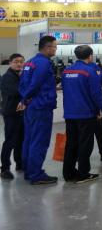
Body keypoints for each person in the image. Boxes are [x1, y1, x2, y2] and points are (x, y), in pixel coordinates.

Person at [61, 45, 102, 184]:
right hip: (86, 113)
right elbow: (96, 93)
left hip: (70, 113)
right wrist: (100, 109)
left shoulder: (66, 71)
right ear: (90, 56)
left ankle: (68, 173)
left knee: (71, 143)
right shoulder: (89, 71)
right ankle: (83, 173)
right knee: (85, 144)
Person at [19, 35, 58, 185]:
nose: (55, 49)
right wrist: (26, 97)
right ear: (47, 47)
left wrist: (25, 99)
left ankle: (29, 171)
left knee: (29, 139)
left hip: (31, 107)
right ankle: (36, 174)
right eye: (54, 47)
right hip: (41, 107)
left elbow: (23, 84)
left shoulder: (30, 62)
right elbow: (35, 84)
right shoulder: (44, 63)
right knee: (39, 141)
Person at [0, 53, 25, 179]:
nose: (19, 64)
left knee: (20, 140)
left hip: (20, 113)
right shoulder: (7, 77)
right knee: (10, 141)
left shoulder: (19, 75)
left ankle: (20, 163)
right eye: (16, 61)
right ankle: (5, 168)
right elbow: (16, 92)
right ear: (10, 63)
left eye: (21, 61)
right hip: (11, 113)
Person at [87, 61, 102, 163]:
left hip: (83, 108)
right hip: (92, 107)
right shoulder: (94, 68)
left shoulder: (72, 69)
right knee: (97, 133)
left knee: (97, 132)